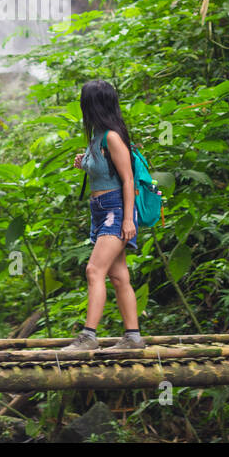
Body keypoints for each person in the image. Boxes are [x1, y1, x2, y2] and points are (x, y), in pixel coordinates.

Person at [61, 79, 144, 351]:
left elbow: (128, 179)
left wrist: (129, 219)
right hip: (100, 212)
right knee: (118, 276)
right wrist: (84, 163)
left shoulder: (112, 136)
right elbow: (103, 171)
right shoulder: (97, 137)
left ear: (92, 105)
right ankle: (132, 337)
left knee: (94, 270)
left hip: (115, 211)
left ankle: (88, 337)